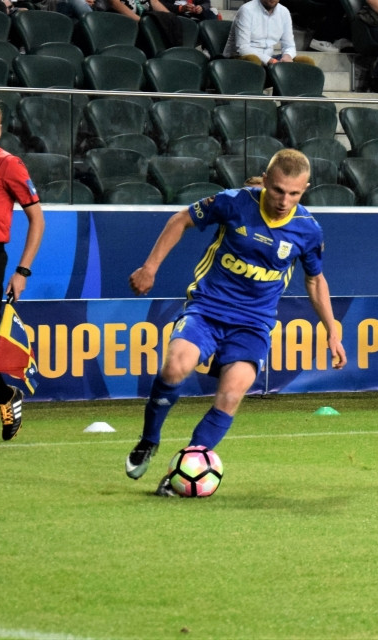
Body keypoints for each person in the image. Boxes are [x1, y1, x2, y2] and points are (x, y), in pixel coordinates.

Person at [124, 149, 348, 495]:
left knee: (230, 394)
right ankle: (149, 439)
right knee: (174, 368)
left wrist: (332, 329)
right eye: (277, 190)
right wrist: (150, 267)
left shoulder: (308, 230)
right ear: (266, 181)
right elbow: (181, 219)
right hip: (208, 309)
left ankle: (186, 467)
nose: (284, 200)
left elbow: (315, 280)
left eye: (294, 193)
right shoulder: (233, 203)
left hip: (254, 324)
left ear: (305, 189)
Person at [0, 95, 45, 441]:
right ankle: (6, 393)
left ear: (0, 130)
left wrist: (23, 271)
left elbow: (37, 220)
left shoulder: (9, 165)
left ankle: (5, 391)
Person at [222, 0, 315, 66]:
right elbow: (242, 48)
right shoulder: (246, 10)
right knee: (253, 60)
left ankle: (286, 94)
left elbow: (289, 45)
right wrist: (270, 61)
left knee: (306, 62)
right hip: (239, 58)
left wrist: (287, 56)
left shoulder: (284, 12)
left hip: (270, 58)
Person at [96, 0, 170, 21]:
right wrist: (142, 23)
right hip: (121, 24)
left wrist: (171, 18)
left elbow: (154, 2)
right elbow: (114, 3)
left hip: (145, 24)